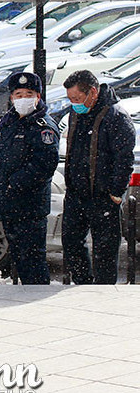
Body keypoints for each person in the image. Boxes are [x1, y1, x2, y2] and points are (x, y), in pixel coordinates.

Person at [0, 72, 60, 284]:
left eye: (29, 93)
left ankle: (36, 295)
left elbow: (44, 164)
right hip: (9, 203)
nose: (23, 98)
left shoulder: (43, 126)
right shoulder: (9, 122)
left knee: (33, 259)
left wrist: (14, 183)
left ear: (38, 96)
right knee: (19, 256)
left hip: (29, 204)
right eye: (18, 94)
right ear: (11, 97)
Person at [62, 69, 136, 284]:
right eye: (70, 99)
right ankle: (83, 283)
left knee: (105, 249)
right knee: (71, 242)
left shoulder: (116, 117)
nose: (73, 103)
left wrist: (115, 192)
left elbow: (124, 159)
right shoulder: (77, 113)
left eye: (76, 98)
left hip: (103, 195)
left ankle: (102, 290)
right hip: (77, 193)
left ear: (92, 92)